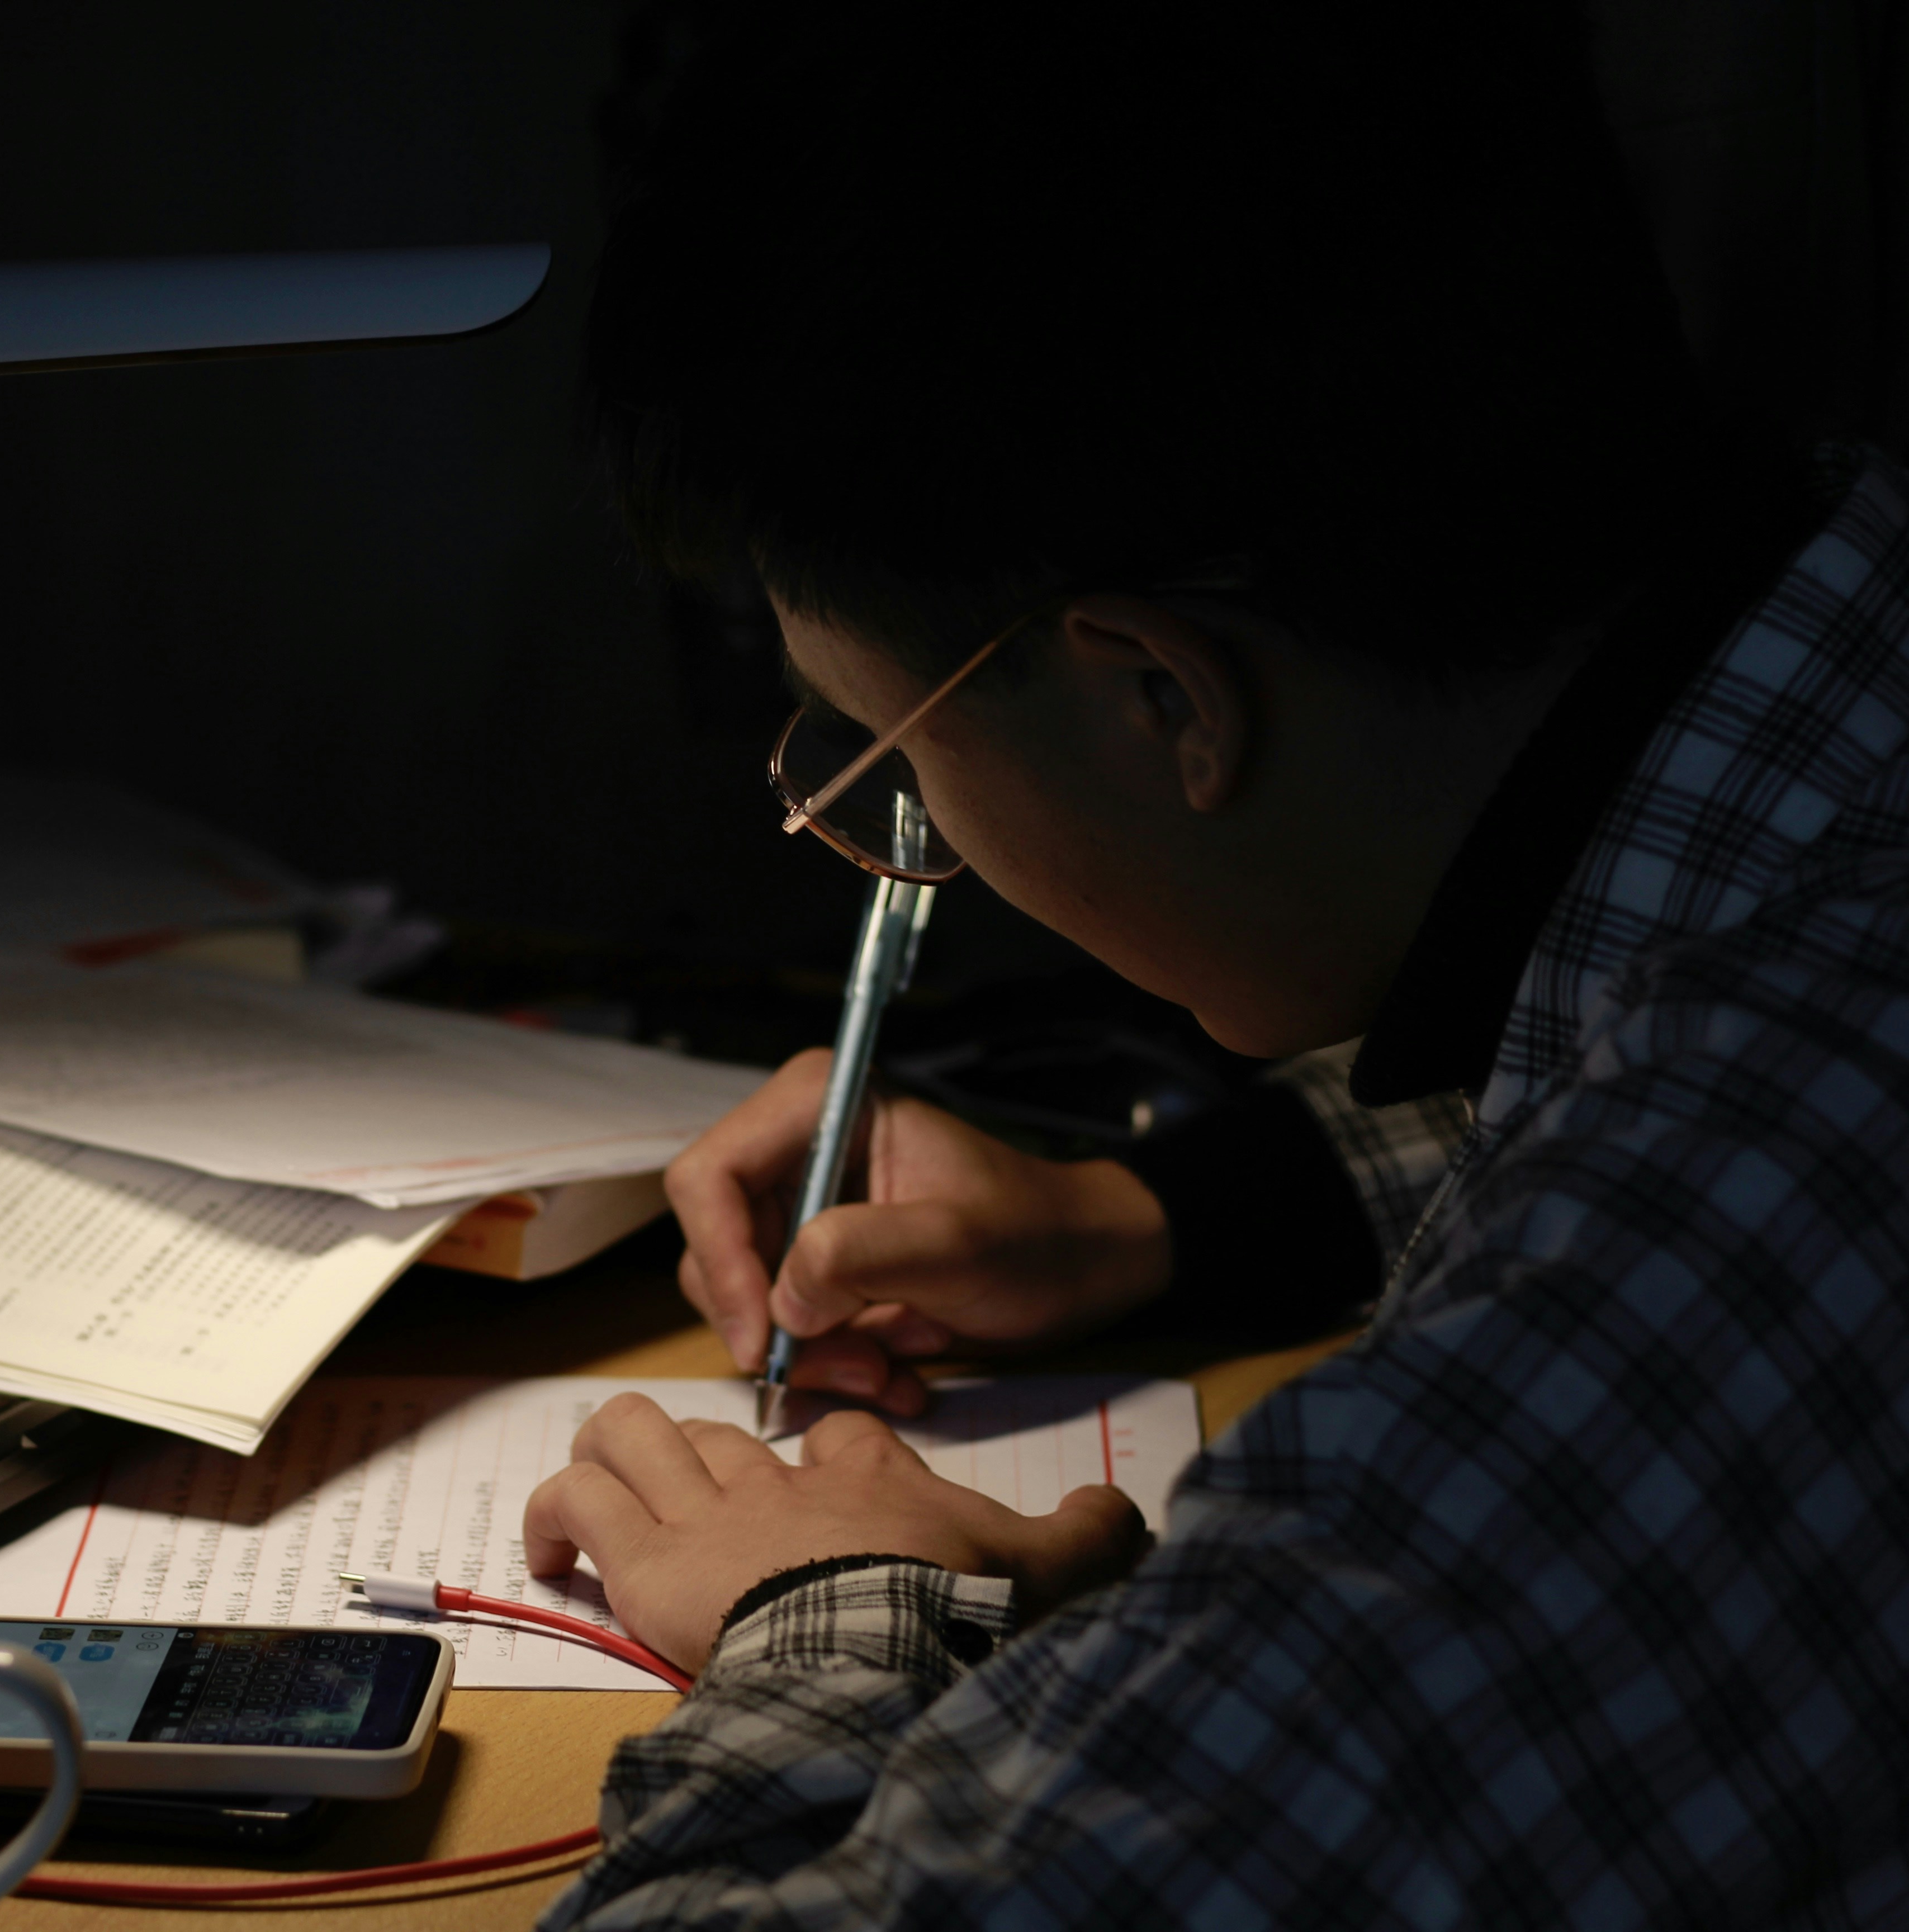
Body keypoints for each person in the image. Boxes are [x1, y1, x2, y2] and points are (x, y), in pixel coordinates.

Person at [527, 5, 1909, 1923]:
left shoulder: (1694, 1274)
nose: (910, 832)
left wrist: (824, 1609)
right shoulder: (1822, 722)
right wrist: (1143, 1219)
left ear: (1161, 693)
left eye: (893, 760)